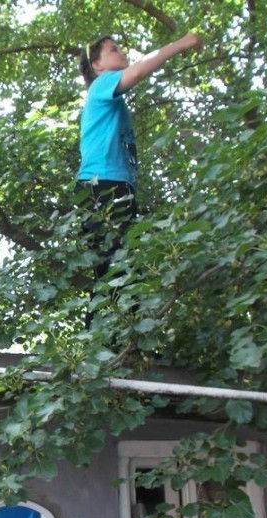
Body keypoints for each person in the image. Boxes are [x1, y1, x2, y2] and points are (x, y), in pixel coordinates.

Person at [75, 33, 202, 324]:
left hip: (111, 187)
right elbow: (139, 71)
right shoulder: (102, 85)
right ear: (97, 64)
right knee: (117, 268)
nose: (121, 53)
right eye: (113, 50)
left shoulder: (111, 99)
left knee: (120, 269)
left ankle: (121, 343)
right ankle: (104, 346)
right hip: (102, 185)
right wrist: (181, 44)